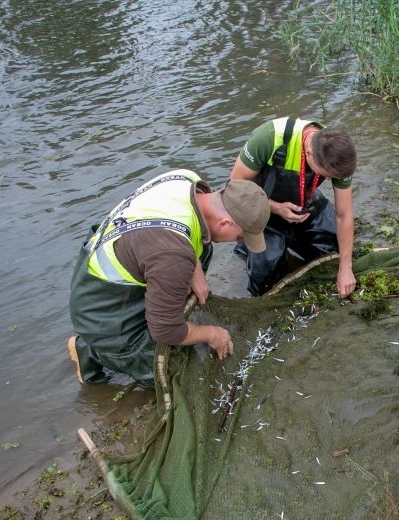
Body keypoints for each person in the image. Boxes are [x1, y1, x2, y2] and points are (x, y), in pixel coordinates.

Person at [67, 169, 270, 385]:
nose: (237, 242)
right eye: (239, 236)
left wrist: (195, 267)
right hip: (101, 308)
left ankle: (160, 311)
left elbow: (173, 230)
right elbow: (165, 331)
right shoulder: (173, 254)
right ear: (225, 223)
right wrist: (212, 334)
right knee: (174, 374)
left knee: (205, 249)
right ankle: (92, 350)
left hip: (120, 260)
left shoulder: (187, 179)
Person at [229, 116, 357, 297]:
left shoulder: (338, 156)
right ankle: (249, 249)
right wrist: (276, 208)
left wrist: (346, 268)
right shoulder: (269, 138)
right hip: (262, 205)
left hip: (305, 201)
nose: (328, 179)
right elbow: (234, 186)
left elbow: (344, 215)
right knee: (266, 275)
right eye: (325, 175)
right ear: (309, 153)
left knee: (336, 251)